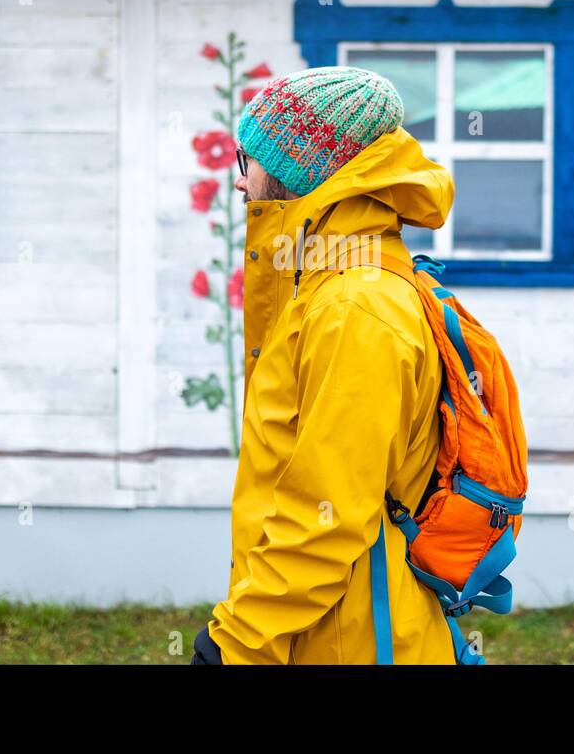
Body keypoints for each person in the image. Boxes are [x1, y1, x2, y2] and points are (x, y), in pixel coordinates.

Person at [191, 66, 457, 665]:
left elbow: (325, 516)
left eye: (247, 159)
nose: (238, 180)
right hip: (330, 627)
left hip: (350, 639)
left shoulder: (354, 306)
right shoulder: (328, 281)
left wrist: (238, 642)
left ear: (300, 169)